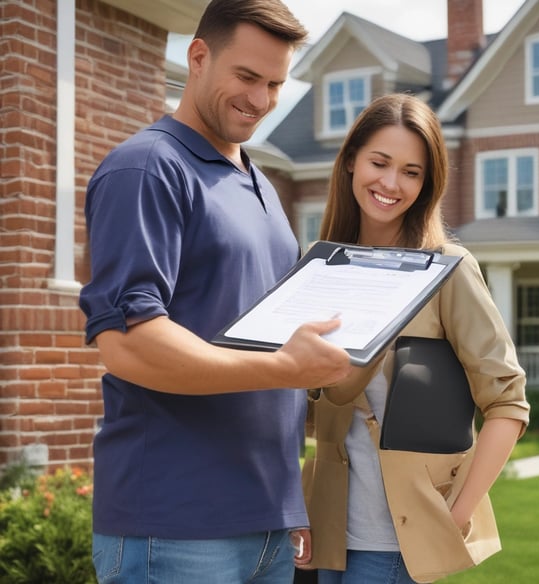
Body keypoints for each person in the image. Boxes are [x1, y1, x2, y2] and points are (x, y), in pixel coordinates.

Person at [78, 1, 352, 582]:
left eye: (275, 83)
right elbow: (129, 345)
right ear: (197, 56)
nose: (261, 100)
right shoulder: (147, 169)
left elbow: (271, 342)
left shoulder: (259, 186)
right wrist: (284, 369)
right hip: (174, 525)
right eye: (247, 77)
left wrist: (286, 502)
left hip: (265, 526)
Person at [299, 93, 530, 584]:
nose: (390, 183)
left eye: (411, 171)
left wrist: (458, 512)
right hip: (326, 537)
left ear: (428, 183)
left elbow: (508, 402)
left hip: (396, 545)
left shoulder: (448, 271)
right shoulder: (321, 270)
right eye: (379, 163)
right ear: (350, 164)